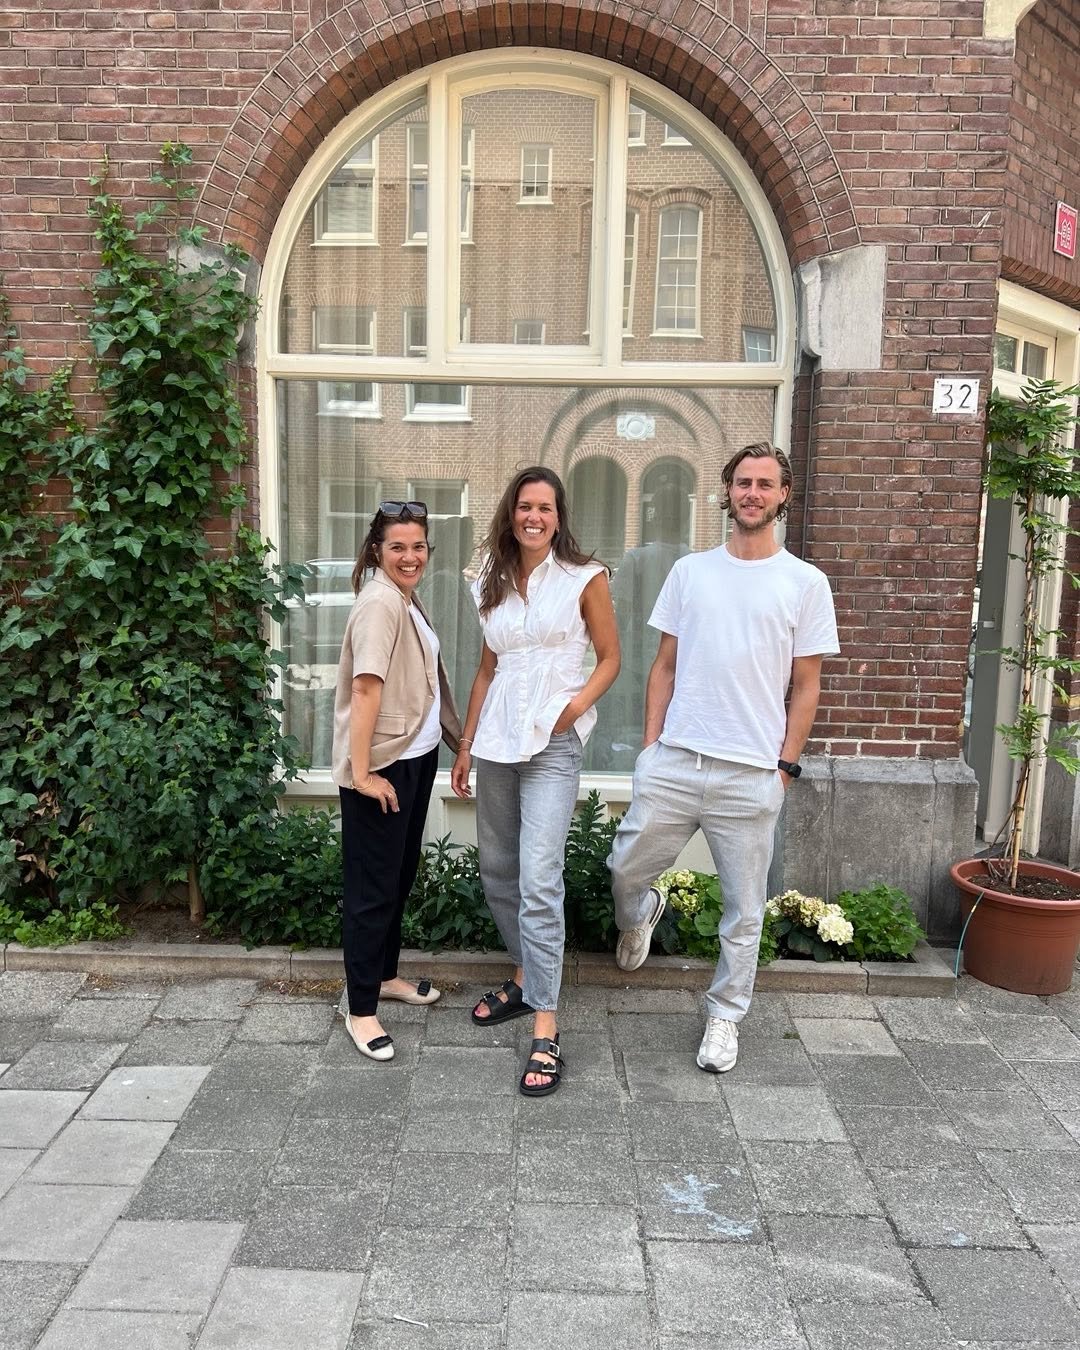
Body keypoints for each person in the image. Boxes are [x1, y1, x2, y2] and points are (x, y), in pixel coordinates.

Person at [609, 442, 839, 1074]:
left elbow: (807, 685)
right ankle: (641, 914)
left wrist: (784, 768)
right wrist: (651, 749)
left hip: (751, 773)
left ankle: (725, 1016)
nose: (752, 493)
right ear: (727, 491)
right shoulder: (691, 572)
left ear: (783, 495)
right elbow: (664, 666)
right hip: (676, 761)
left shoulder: (805, 583)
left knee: (744, 910)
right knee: (625, 869)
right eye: (743, 482)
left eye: (765, 484)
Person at [451, 467, 620, 1096]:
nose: (534, 517)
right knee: (498, 868)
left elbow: (611, 658)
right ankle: (525, 976)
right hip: (496, 743)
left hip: (552, 744)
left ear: (558, 516)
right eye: (525, 506)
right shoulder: (489, 581)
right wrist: (465, 745)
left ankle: (546, 1027)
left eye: (545, 508)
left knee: (540, 879)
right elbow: (487, 669)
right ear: (511, 512)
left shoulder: (584, 577)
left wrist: (571, 711)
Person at [331, 501, 462, 1062]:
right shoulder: (381, 603)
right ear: (376, 551)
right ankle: (360, 1008)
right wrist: (362, 774)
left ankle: (383, 977)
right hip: (384, 765)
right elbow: (365, 688)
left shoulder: (404, 598)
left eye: (418, 546)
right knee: (372, 889)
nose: (410, 557)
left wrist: (455, 742)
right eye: (397, 547)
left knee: (397, 877)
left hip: (415, 758)